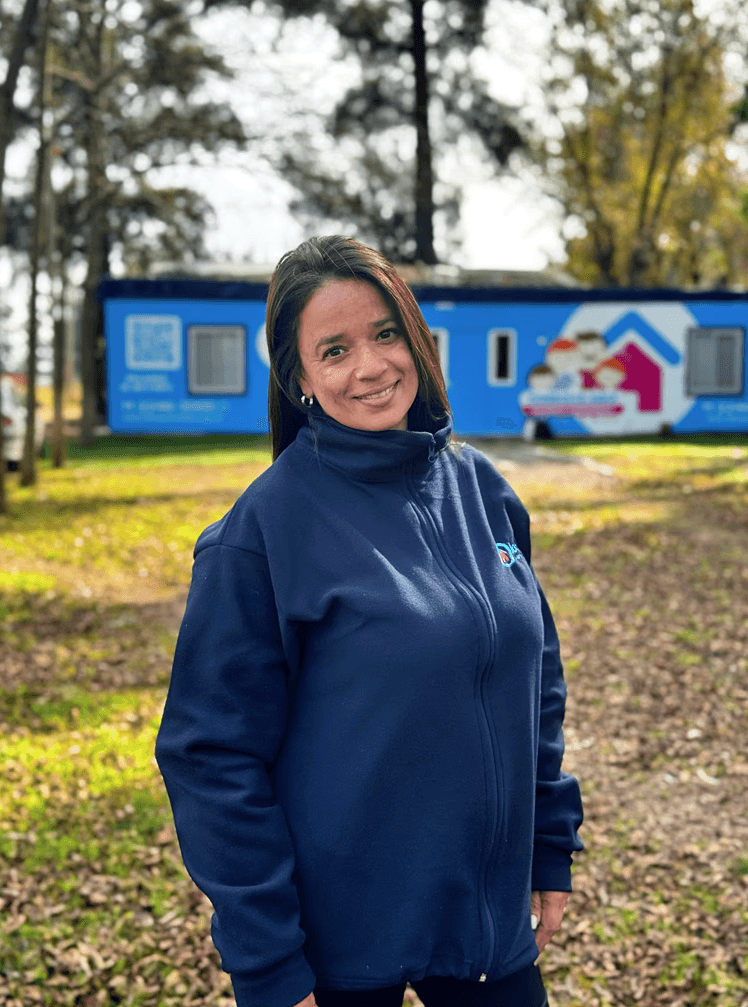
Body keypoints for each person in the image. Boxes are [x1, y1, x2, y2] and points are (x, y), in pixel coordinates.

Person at [155, 236, 584, 1007]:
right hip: (334, 950)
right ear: (303, 379)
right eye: (335, 348)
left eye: (387, 333)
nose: (372, 365)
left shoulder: (483, 489)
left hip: (484, 928)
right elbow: (209, 753)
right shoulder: (262, 531)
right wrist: (269, 963)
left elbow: (535, 675)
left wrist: (549, 844)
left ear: (416, 337)